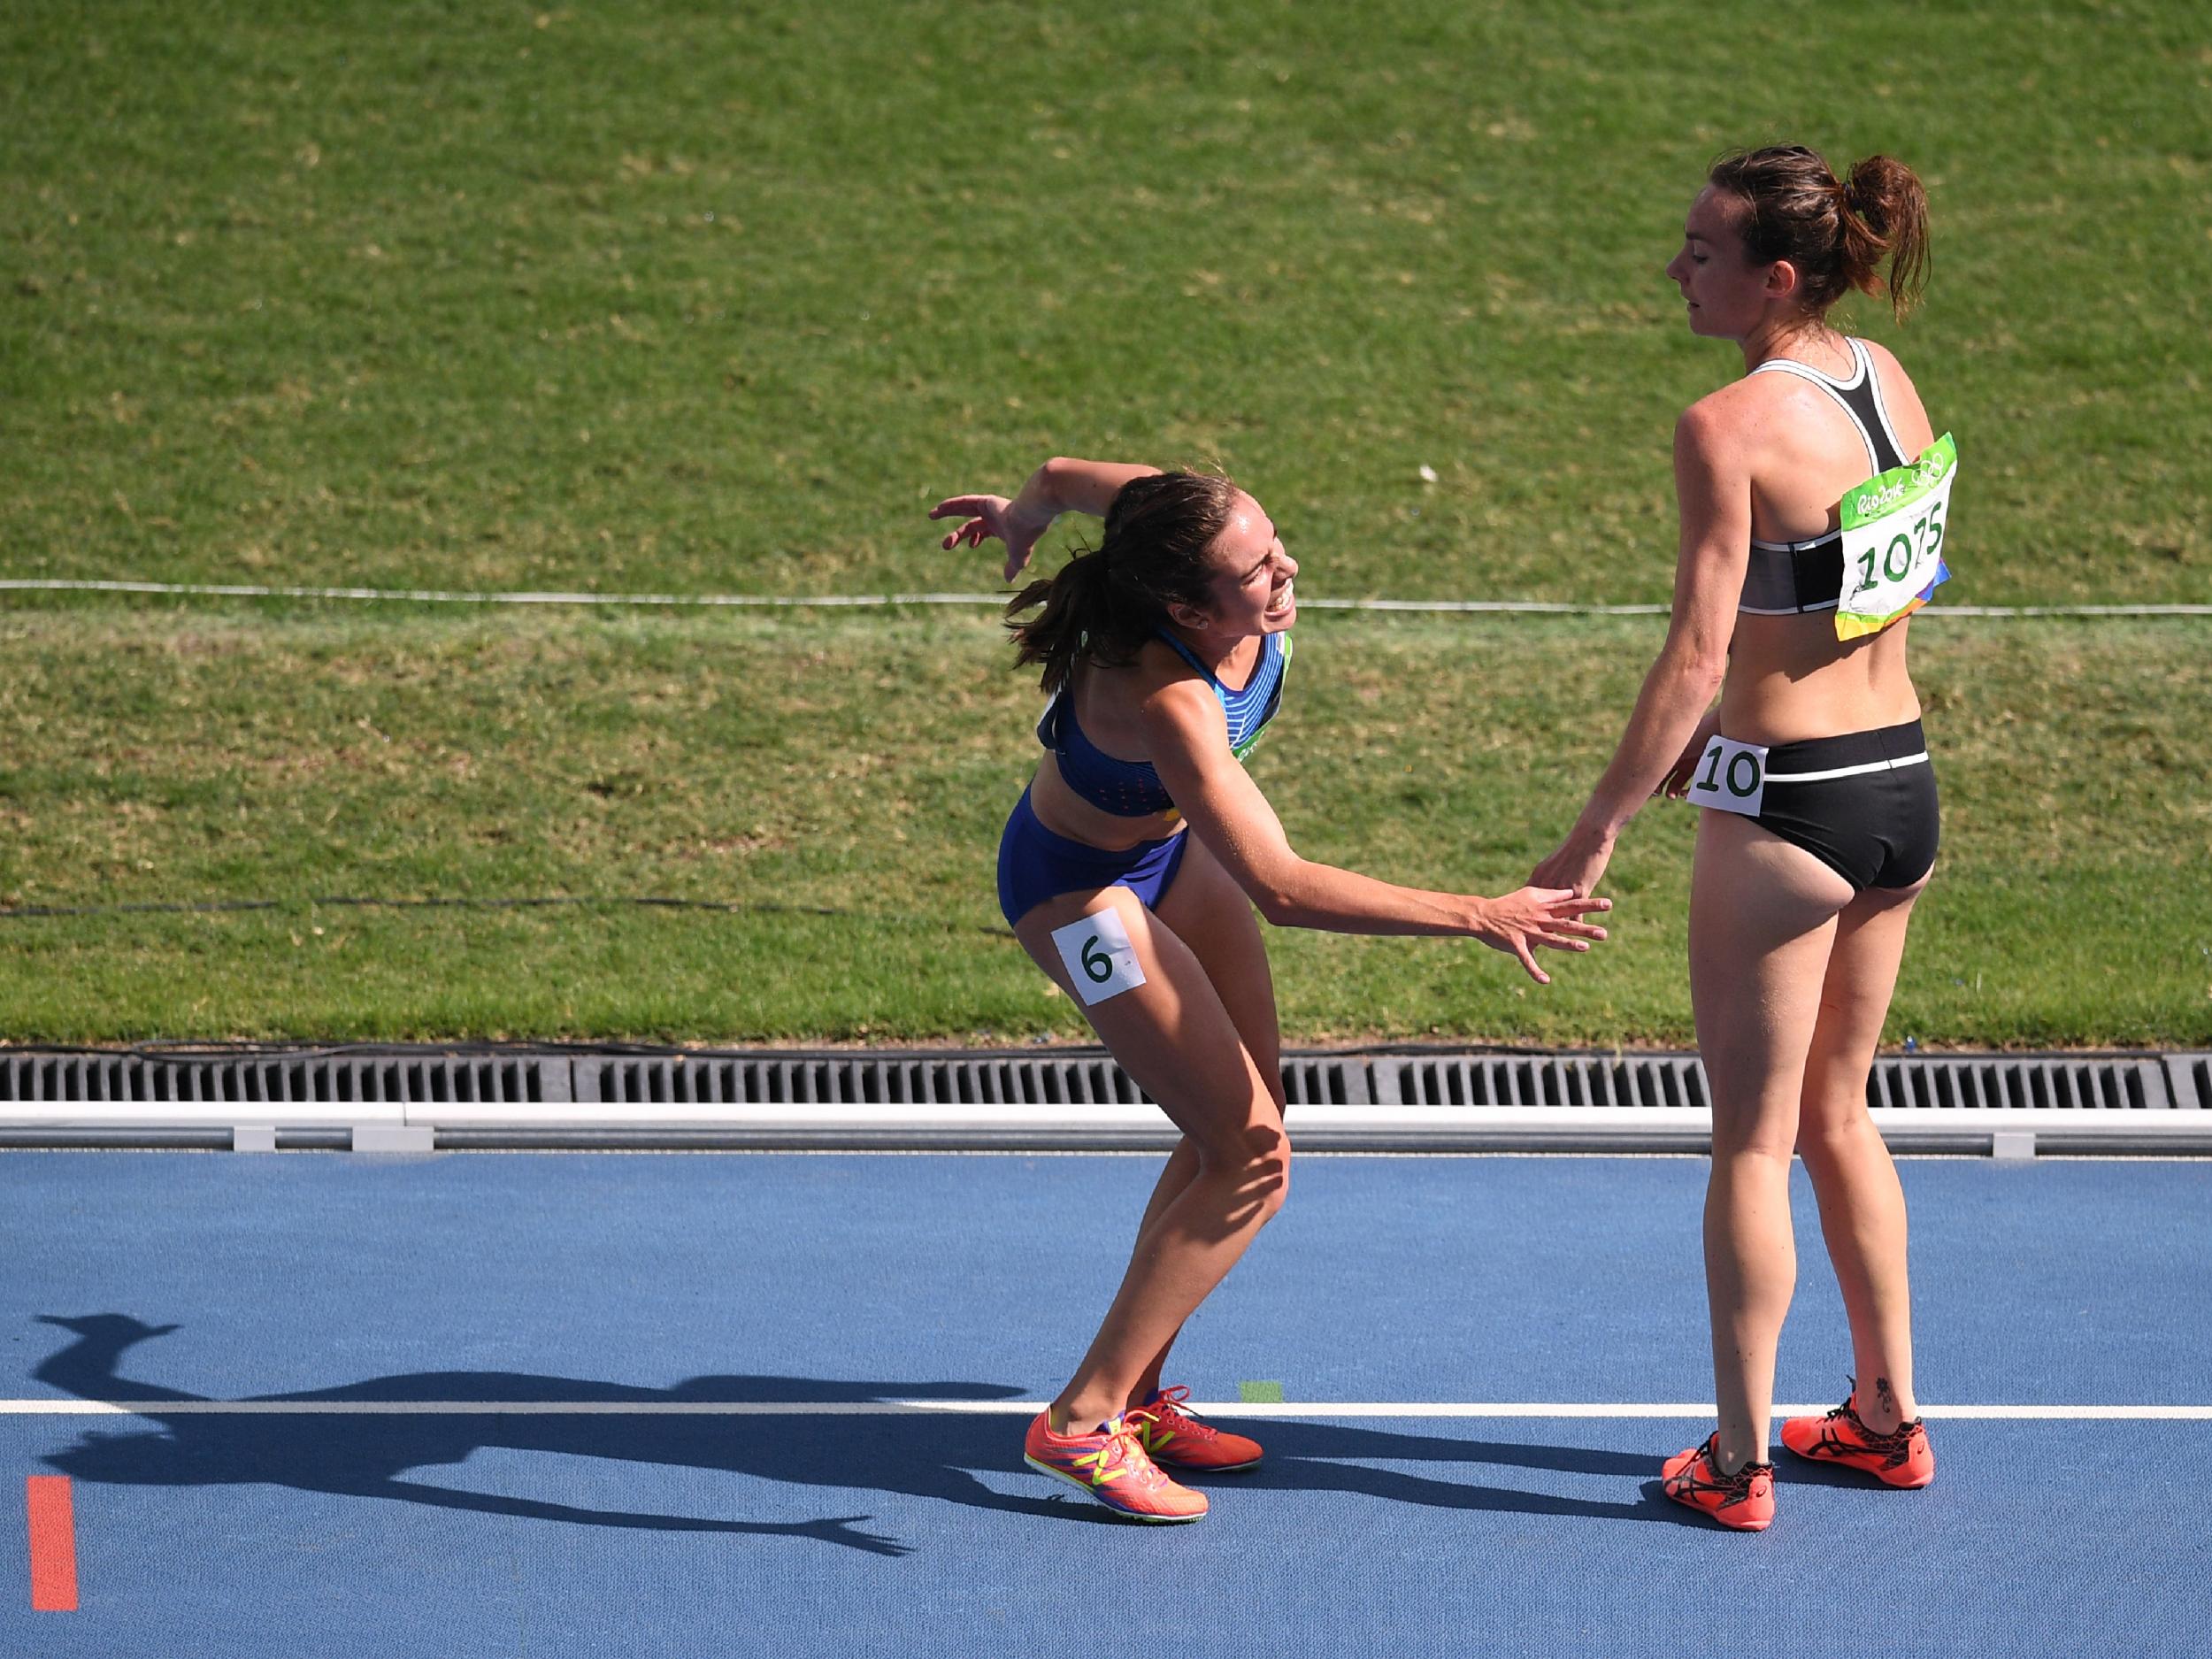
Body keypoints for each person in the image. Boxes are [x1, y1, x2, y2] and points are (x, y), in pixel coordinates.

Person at [931, 459, 1611, 1523]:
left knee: (1241, 1126)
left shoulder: (1178, 523)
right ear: (1185, 606)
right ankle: (1080, 1421)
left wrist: (1027, 509)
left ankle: (1139, 1393)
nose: (1285, 567)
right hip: (1077, 895)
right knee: (1252, 1160)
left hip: (1168, 853)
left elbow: (1071, 474)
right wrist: (1484, 911)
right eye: (1257, 569)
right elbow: (1284, 888)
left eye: (1274, 538)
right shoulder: (1167, 699)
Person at [1531, 145, 1949, 1531]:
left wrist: (1592, 830)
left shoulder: (1726, 427)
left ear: (1776, 274)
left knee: (1753, 1143)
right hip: (1901, 785)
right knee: (1843, 1113)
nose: (1675, 269)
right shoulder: (1886, 376)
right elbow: (1907, 575)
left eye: (1700, 251)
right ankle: (1887, 1418)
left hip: (1789, 806)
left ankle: (1736, 1456)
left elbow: (1698, 650)